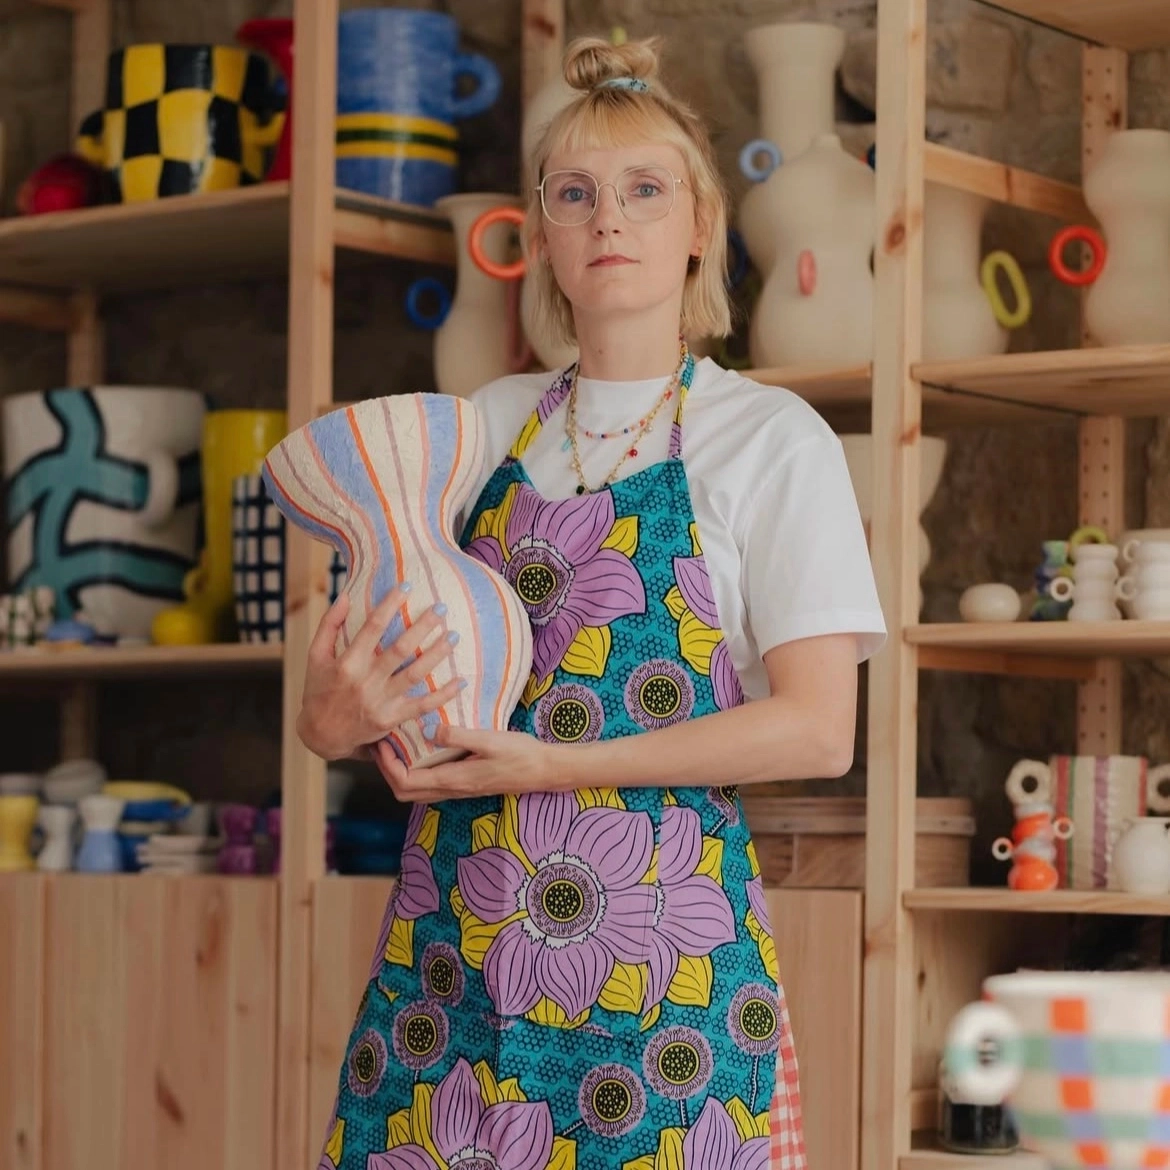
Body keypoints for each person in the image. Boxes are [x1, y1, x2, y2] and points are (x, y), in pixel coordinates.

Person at [297, 33, 886, 1170]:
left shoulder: (768, 440)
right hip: (452, 973)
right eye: (575, 194)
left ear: (700, 226)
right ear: (543, 238)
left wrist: (553, 766)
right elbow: (362, 695)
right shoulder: (478, 426)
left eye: (643, 190)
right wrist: (332, 719)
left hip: (664, 985)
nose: (608, 220)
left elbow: (819, 729)